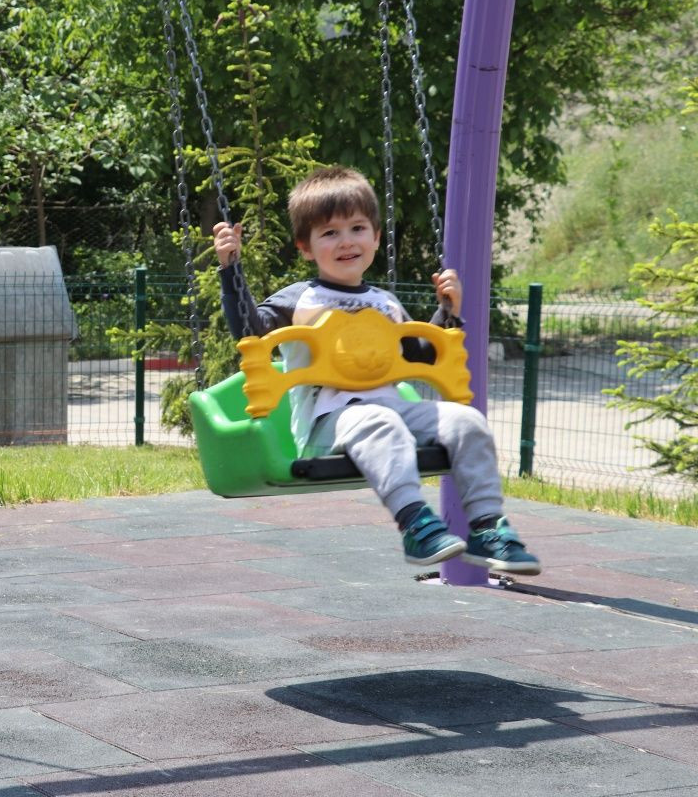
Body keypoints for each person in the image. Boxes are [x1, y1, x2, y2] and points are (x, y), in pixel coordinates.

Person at [212, 165, 540, 575]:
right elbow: (249, 330)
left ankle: (488, 527)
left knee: (466, 420)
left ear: (376, 237)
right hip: (327, 424)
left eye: (357, 228)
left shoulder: (385, 302)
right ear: (306, 247)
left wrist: (447, 312)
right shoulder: (301, 298)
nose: (346, 241)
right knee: (379, 421)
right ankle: (416, 524)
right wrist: (231, 270)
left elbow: (420, 354)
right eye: (329, 233)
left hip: (389, 409)